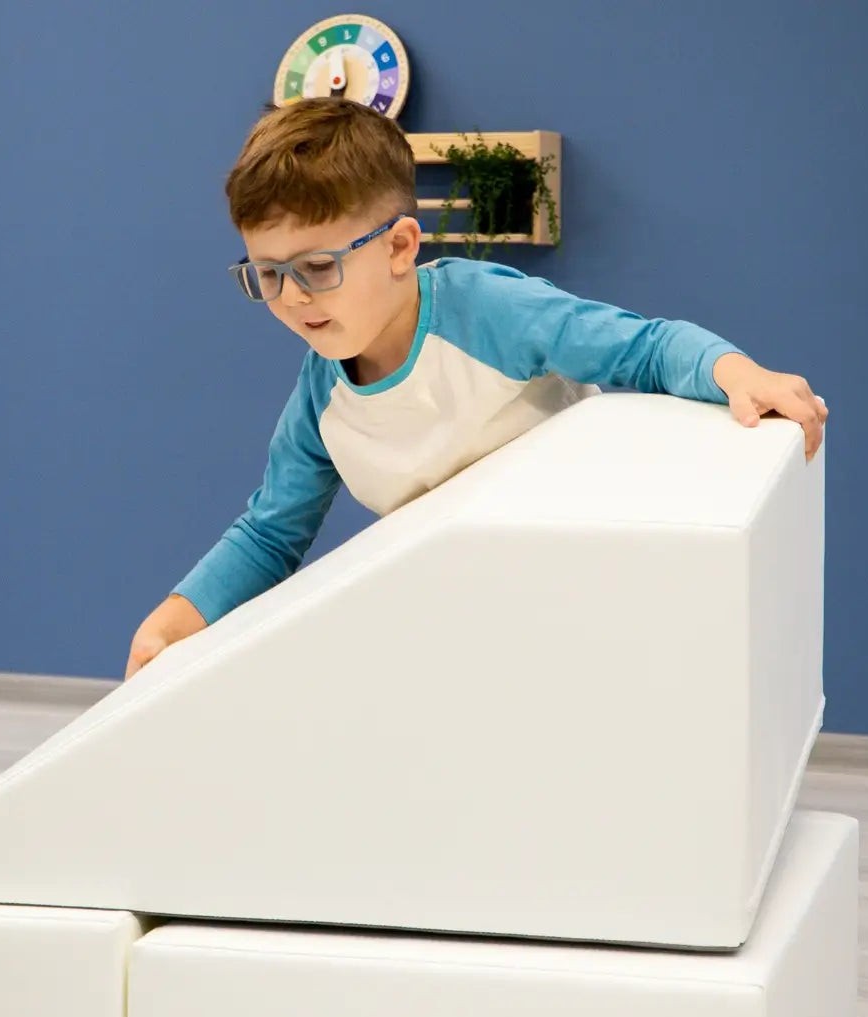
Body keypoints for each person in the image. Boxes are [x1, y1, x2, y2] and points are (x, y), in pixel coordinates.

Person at [125, 98, 827, 680]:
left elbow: (644, 348)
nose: (293, 298)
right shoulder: (321, 396)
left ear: (401, 247)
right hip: (470, 616)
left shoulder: (486, 312)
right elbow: (270, 533)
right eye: (268, 275)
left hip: (596, 592)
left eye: (316, 265)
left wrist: (737, 372)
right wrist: (176, 620)